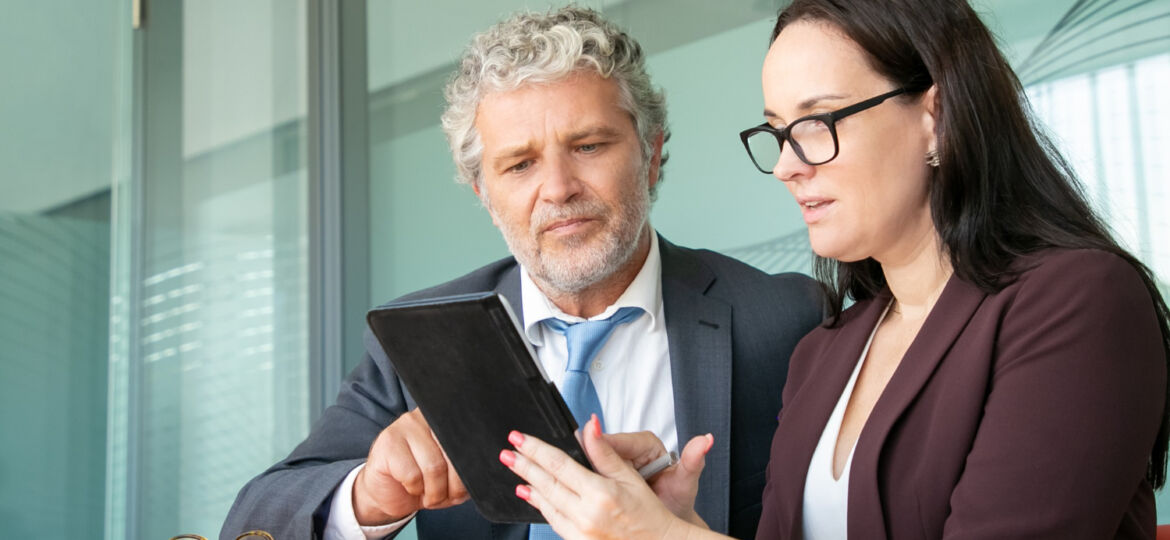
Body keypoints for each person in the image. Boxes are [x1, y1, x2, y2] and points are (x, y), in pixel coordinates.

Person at [502, 0, 1170, 538]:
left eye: (818, 122)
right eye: (777, 131)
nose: (789, 164)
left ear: (935, 117)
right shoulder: (826, 351)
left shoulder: (1080, 302)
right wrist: (679, 523)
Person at [219, 6, 825, 540]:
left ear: (652, 153)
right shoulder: (415, 342)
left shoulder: (786, 320)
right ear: (484, 191)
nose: (558, 189)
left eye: (588, 146)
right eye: (520, 164)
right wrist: (369, 496)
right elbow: (257, 518)